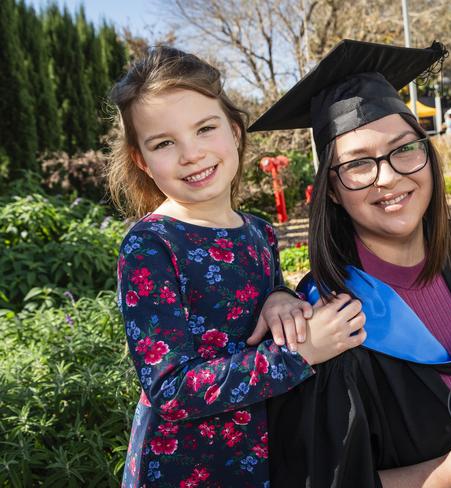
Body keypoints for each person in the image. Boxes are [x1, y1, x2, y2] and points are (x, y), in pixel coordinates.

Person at [249, 40, 451, 488]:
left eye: (405, 149)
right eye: (359, 164)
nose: (389, 177)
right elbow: (321, 478)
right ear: (330, 189)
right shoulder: (324, 325)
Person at [107, 46, 367, 487]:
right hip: (185, 469)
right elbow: (169, 389)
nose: (191, 153)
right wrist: (299, 354)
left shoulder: (259, 233)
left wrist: (280, 298)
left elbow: (265, 301)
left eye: (205, 129)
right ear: (141, 160)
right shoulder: (151, 245)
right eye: (164, 143)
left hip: (267, 455)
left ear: (233, 130)